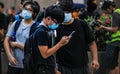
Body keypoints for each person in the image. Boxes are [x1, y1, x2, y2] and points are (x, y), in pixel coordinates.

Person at [55, 0, 99, 74]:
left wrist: (95, 59)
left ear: (72, 11)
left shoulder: (82, 24)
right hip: (63, 68)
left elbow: (91, 43)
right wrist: (54, 68)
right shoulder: (56, 27)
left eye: (68, 12)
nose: (65, 14)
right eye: (63, 12)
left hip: (82, 67)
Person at [32, 5, 71, 74]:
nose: (57, 25)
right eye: (56, 22)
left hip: (46, 68)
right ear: (48, 18)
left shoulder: (45, 30)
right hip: (42, 70)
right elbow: (45, 54)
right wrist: (60, 44)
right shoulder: (42, 32)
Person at [4, 1, 39, 74]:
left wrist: (17, 44)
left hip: (27, 65)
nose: (26, 11)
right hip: (13, 64)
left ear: (34, 14)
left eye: (30, 10)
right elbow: (6, 40)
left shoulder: (36, 28)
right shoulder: (16, 23)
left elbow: (34, 48)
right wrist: (9, 56)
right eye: (25, 9)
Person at [98, 1, 120, 74]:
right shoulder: (117, 12)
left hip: (113, 42)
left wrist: (102, 27)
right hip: (117, 42)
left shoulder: (115, 14)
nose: (106, 12)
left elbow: (115, 29)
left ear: (110, 7)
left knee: (110, 66)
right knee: (115, 64)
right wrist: (102, 23)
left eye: (106, 9)